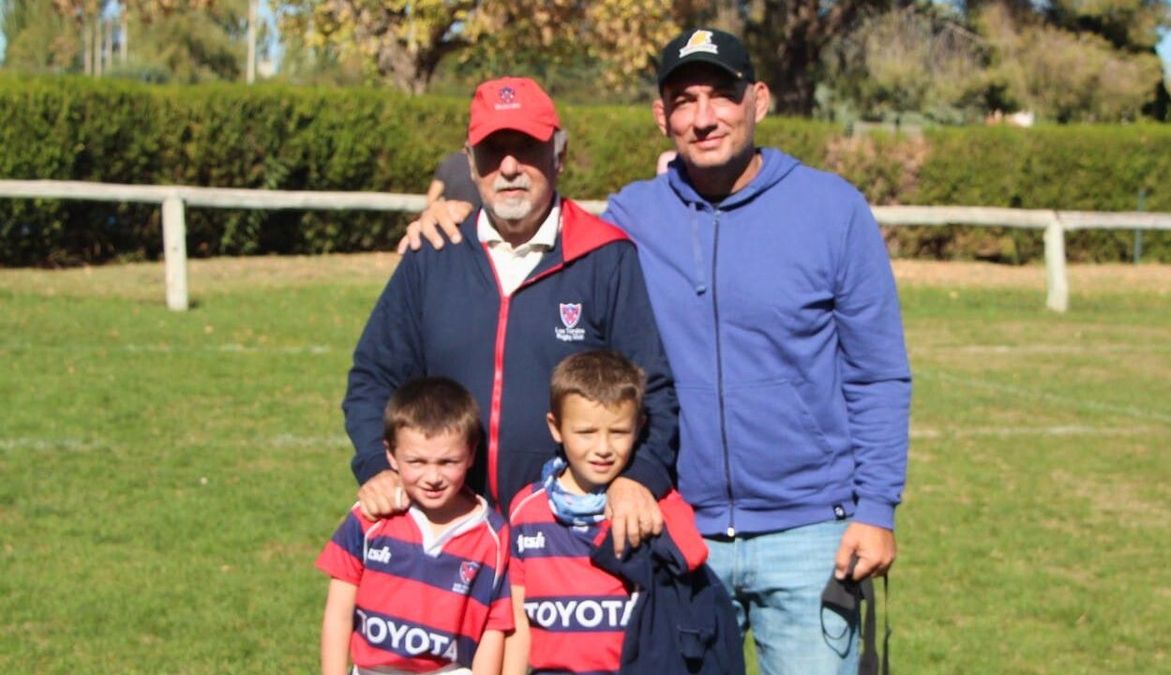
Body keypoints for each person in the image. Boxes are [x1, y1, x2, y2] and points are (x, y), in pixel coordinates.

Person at [399, 29, 912, 675]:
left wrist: (876, 508)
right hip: (673, 531)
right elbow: (534, 215)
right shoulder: (630, 216)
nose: (703, 117)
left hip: (810, 533)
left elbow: (879, 374)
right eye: (682, 99)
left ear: (759, 98)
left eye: (720, 96)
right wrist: (446, 219)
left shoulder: (833, 209)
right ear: (660, 116)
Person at [344, 76, 679, 555]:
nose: (508, 167)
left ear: (558, 156)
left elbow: (654, 391)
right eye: (491, 150)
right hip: (448, 533)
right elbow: (373, 376)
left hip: (570, 538)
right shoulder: (433, 250)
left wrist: (641, 476)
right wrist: (378, 465)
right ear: (470, 162)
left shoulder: (605, 256)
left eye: (526, 148)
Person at [503, 350, 741, 675]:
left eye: (618, 432)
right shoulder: (525, 511)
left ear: (639, 426)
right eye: (586, 432)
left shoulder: (649, 505)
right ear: (555, 427)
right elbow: (518, 620)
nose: (603, 448)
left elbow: (690, 563)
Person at [317, 377, 511, 675]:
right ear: (391, 455)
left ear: (471, 454)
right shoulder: (370, 517)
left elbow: (493, 629)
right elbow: (339, 613)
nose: (432, 477)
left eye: (447, 462)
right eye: (417, 462)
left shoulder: (493, 537)